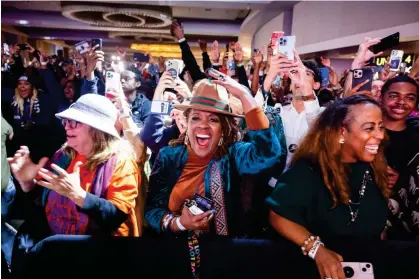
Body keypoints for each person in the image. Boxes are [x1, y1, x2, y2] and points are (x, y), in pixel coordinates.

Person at [267, 95, 390, 279]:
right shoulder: (308, 171)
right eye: (369, 128)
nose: (380, 135)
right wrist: (317, 251)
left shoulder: (374, 169)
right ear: (341, 133)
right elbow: (278, 215)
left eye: (380, 127)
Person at [145, 75, 282, 237]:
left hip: (224, 254)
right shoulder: (169, 157)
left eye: (213, 119)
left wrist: (245, 96)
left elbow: (268, 154)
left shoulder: (233, 154)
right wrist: (179, 223)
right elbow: (152, 209)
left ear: (224, 128)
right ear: (187, 123)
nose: (203, 124)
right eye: (196, 118)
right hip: (177, 252)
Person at [8, 94, 141, 239]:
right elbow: (43, 201)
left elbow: (117, 216)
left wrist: (78, 196)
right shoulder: (64, 155)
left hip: (97, 255)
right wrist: (28, 183)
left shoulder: (121, 162)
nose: (66, 127)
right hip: (59, 250)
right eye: (66, 121)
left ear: (98, 129)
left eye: (75, 122)